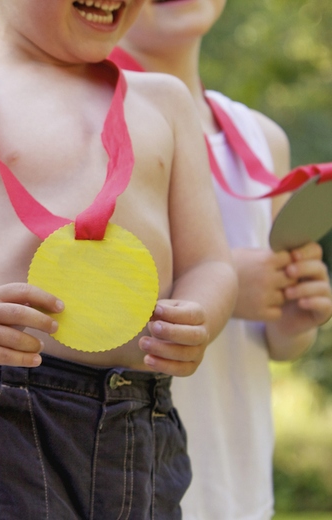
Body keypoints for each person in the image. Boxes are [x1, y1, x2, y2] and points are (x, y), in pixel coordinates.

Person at [0, 0, 239, 518]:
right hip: (1, 413)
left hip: (141, 416)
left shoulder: (165, 101)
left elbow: (210, 262)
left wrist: (201, 315)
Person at [111, 1, 332, 518]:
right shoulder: (94, 118)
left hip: (236, 473)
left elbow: (276, 342)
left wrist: (295, 314)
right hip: (131, 471)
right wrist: (227, 284)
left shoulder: (262, 138)